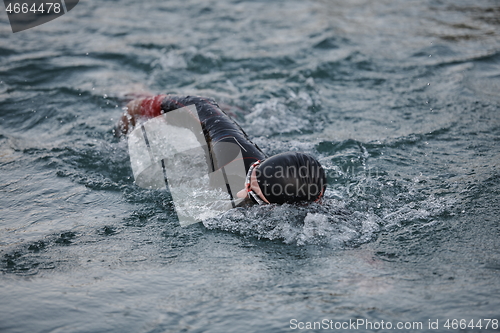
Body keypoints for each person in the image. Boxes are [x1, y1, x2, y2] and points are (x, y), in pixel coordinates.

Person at [116, 95, 326, 205]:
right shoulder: (235, 157)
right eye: (249, 177)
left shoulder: (323, 221)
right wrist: (138, 108)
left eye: (253, 196)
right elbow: (199, 106)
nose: (241, 192)